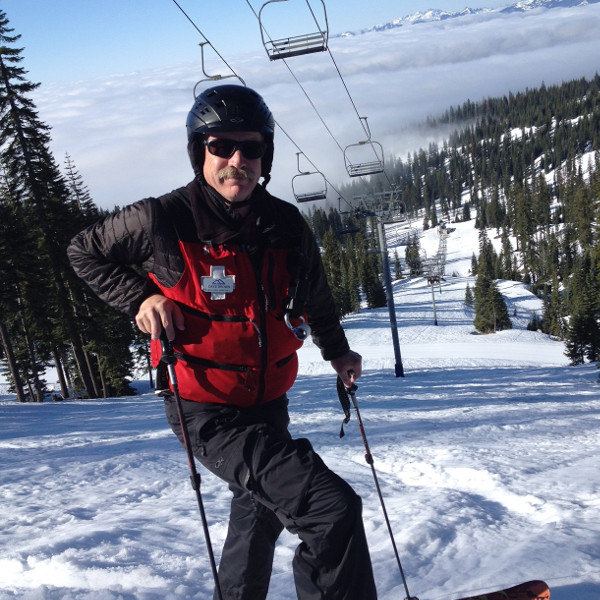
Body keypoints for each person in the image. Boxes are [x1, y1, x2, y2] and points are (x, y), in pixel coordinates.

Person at [68, 84, 378, 600]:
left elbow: (316, 297)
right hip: (204, 408)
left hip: (266, 400)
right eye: (220, 146)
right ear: (199, 151)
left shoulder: (284, 224)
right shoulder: (161, 220)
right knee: (329, 509)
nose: (237, 160)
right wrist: (140, 298)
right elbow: (83, 252)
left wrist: (338, 350)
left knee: (259, 518)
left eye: (251, 148)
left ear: (266, 154)